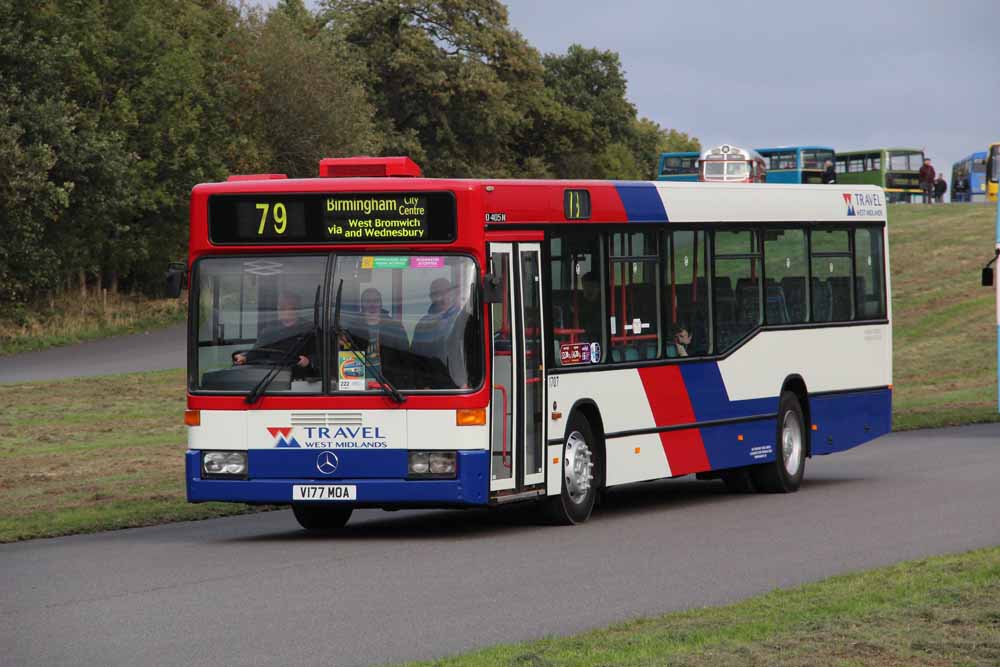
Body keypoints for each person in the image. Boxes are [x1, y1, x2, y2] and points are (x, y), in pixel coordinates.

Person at [233, 291, 316, 380]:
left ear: (296, 308)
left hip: (300, 380)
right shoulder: (270, 331)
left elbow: (321, 355)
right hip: (271, 378)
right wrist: (244, 357)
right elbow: (258, 352)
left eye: (285, 306)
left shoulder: (309, 329)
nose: (280, 309)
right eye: (279, 306)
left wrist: (309, 361)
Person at [341, 287, 411, 388]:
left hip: (390, 388)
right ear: (362, 304)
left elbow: (407, 359)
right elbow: (346, 359)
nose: (372, 304)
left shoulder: (395, 327)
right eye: (367, 301)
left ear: (381, 303)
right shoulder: (353, 329)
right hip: (360, 387)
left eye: (375, 301)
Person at [411, 278, 474, 388]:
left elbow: (474, 353)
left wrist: (468, 383)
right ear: (431, 297)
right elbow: (415, 357)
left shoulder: (465, 319)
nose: (442, 297)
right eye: (436, 294)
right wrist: (422, 385)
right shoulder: (423, 324)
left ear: (453, 294)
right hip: (432, 388)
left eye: (446, 292)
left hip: (461, 386)